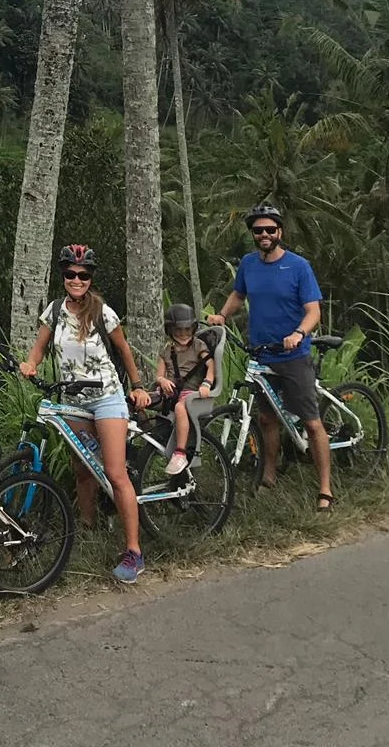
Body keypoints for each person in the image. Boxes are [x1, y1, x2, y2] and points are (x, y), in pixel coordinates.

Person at [20, 244, 152, 584]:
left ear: (91, 278)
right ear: (63, 276)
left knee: (114, 472)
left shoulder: (102, 311)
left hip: (106, 398)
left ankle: (134, 552)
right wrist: (31, 364)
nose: (77, 280)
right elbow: (39, 348)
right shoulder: (54, 311)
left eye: (83, 275)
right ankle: (89, 527)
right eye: (71, 274)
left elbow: (123, 350)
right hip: (73, 401)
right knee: (82, 469)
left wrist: (137, 385)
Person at [208, 205, 333, 510]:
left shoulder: (299, 266)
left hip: (293, 354)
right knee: (266, 419)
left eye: (270, 229)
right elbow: (239, 294)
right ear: (253, 234)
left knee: (312, 423)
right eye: (258, 230)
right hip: (261, 354)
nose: (264, 234)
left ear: (280, 232)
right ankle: (268, 477)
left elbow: (313, 311)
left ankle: (325, 489)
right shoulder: (249, 264)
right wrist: (222, 315)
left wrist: (299, 333)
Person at [154, 302, 217, 476]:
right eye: (178, 330)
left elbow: (211, 365)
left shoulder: (198, 346)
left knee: (180, 408)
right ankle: (144, 441)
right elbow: (159, 375)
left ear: (193, 329)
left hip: (191, 393)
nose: (183, 334)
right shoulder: (166, 349)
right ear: (170, 330)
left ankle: (180, 453)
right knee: (139, 399)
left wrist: (207, 383)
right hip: (170, 391)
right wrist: (162, 381)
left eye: (187, 330)